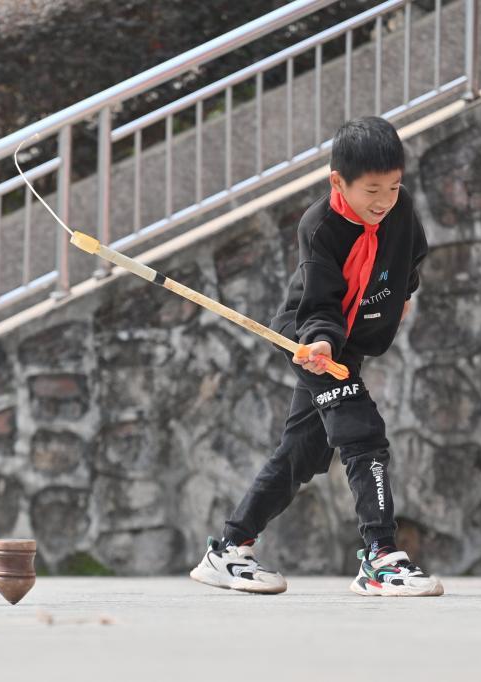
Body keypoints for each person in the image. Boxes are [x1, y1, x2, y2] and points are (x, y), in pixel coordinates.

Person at [189, 116, 440, 597]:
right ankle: (380, 557)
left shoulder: (400, 209)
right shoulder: (319, 226)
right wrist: (320, 344)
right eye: (372, 190)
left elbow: (412, 254)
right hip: (310, 339)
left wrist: (403, 293)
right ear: (337, 182)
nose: (384, 200)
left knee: (302, 452)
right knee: (361, 433)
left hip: (350, 344)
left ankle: (229, 548)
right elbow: (320, 301)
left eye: (393, 186)